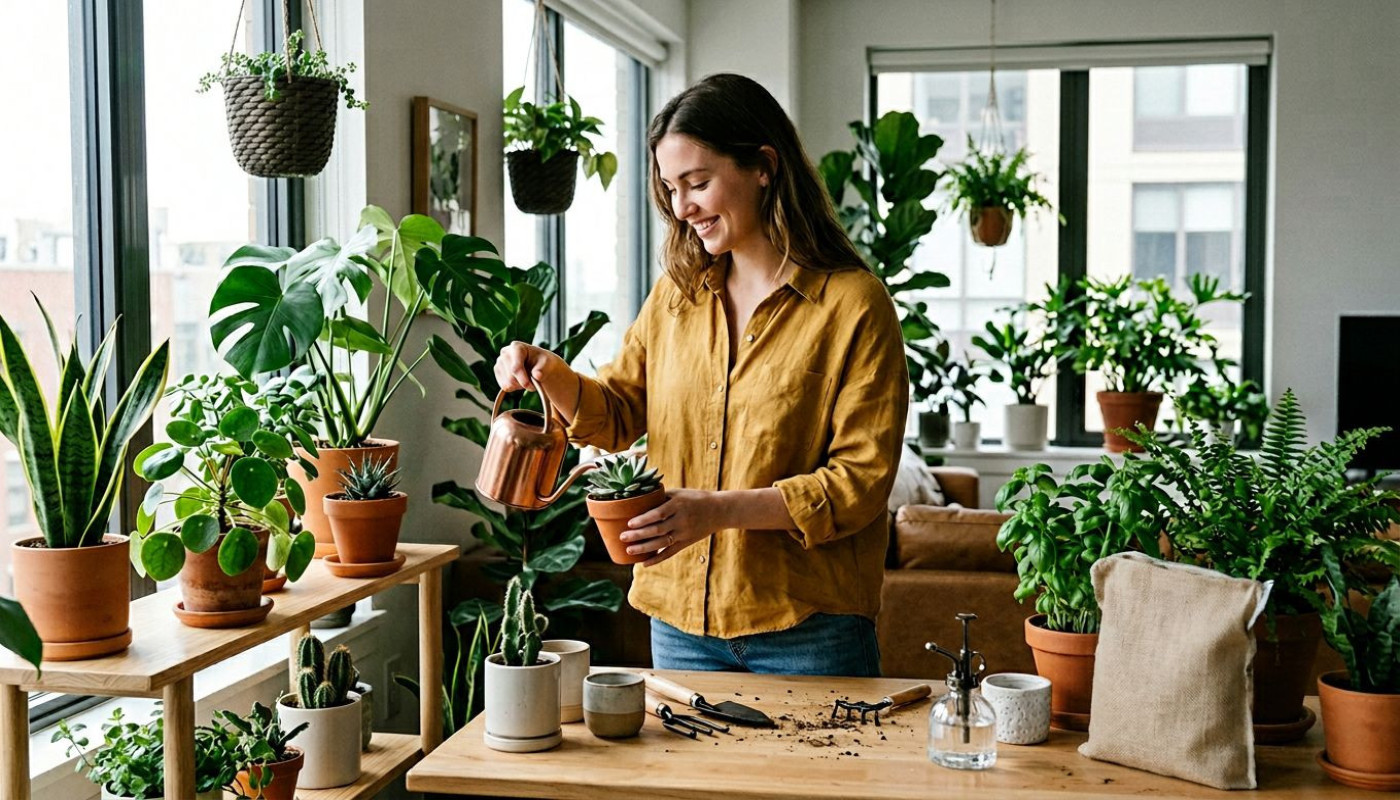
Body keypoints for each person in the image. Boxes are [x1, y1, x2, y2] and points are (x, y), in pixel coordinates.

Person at [493, 73, 908, 676]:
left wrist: (716, 511)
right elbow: (617, 413)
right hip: (679, 622)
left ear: (763, 167)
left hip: (810, 628)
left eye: (698, 182)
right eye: (670, 188)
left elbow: (859, 484)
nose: (682, 207)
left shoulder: (853, 305)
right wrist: (549, 372)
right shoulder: (676, 297)